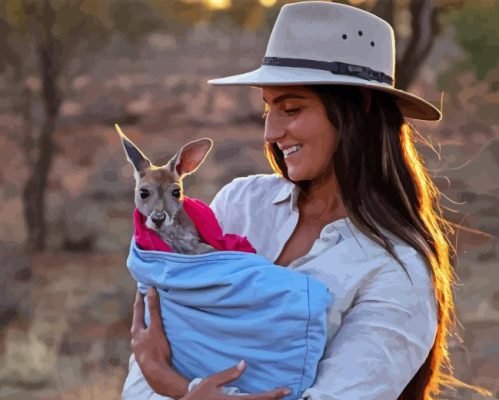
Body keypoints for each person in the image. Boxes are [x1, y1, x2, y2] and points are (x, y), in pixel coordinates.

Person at [123, 2, 491, 400]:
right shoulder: (240, 204)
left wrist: (172, 382)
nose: (270, 132)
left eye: (291, 108)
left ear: (358, 108)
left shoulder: (395, 271)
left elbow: (157, 366)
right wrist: (156, 376)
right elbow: (146, 362)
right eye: (267, 108)